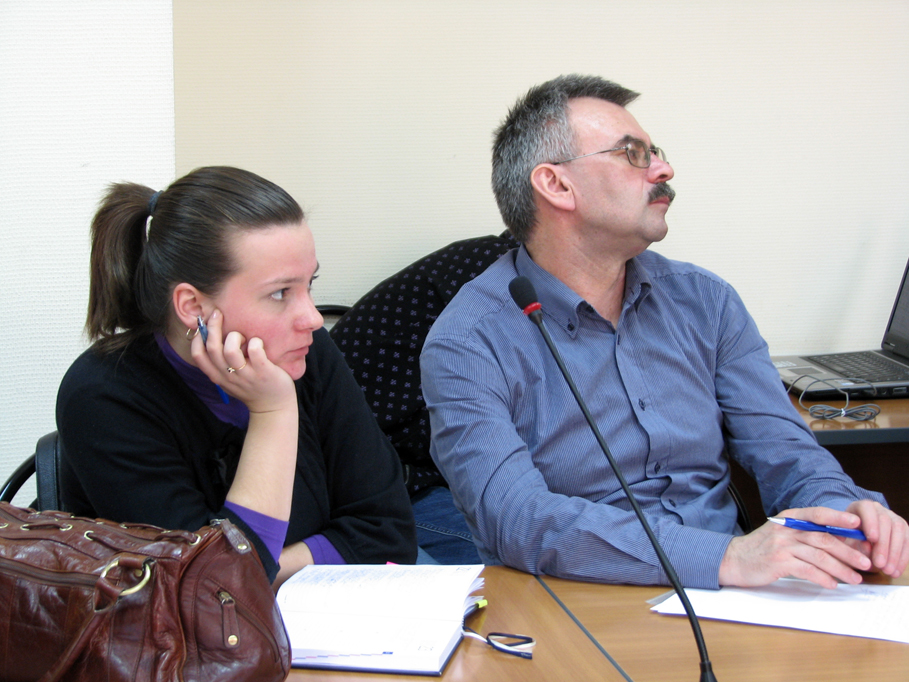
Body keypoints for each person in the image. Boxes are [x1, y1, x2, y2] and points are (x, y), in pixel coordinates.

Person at [420, 75, 909, 590]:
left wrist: (842, 510)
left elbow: (787, 453)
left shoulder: (706, 301)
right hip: (580, 599)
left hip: (741, 593)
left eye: (656, 152)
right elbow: (518, 520)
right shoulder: (468, 341)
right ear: (557, 185)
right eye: (632, 154)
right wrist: (727, 557)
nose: (664, 169)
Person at [57, 166, 417, 585]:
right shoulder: (103, 396)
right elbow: (210, 589)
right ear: (193, 307)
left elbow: (389, 534)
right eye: (280, 293)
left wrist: (265, 570)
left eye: (309, 284)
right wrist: (272, 413)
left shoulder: (304, 349)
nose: (313, 318)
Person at [330, 233, 518, 563]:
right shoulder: (495, 275)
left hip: (428, 472)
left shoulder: (501, 266)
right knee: (516, 562)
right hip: (390, 481)